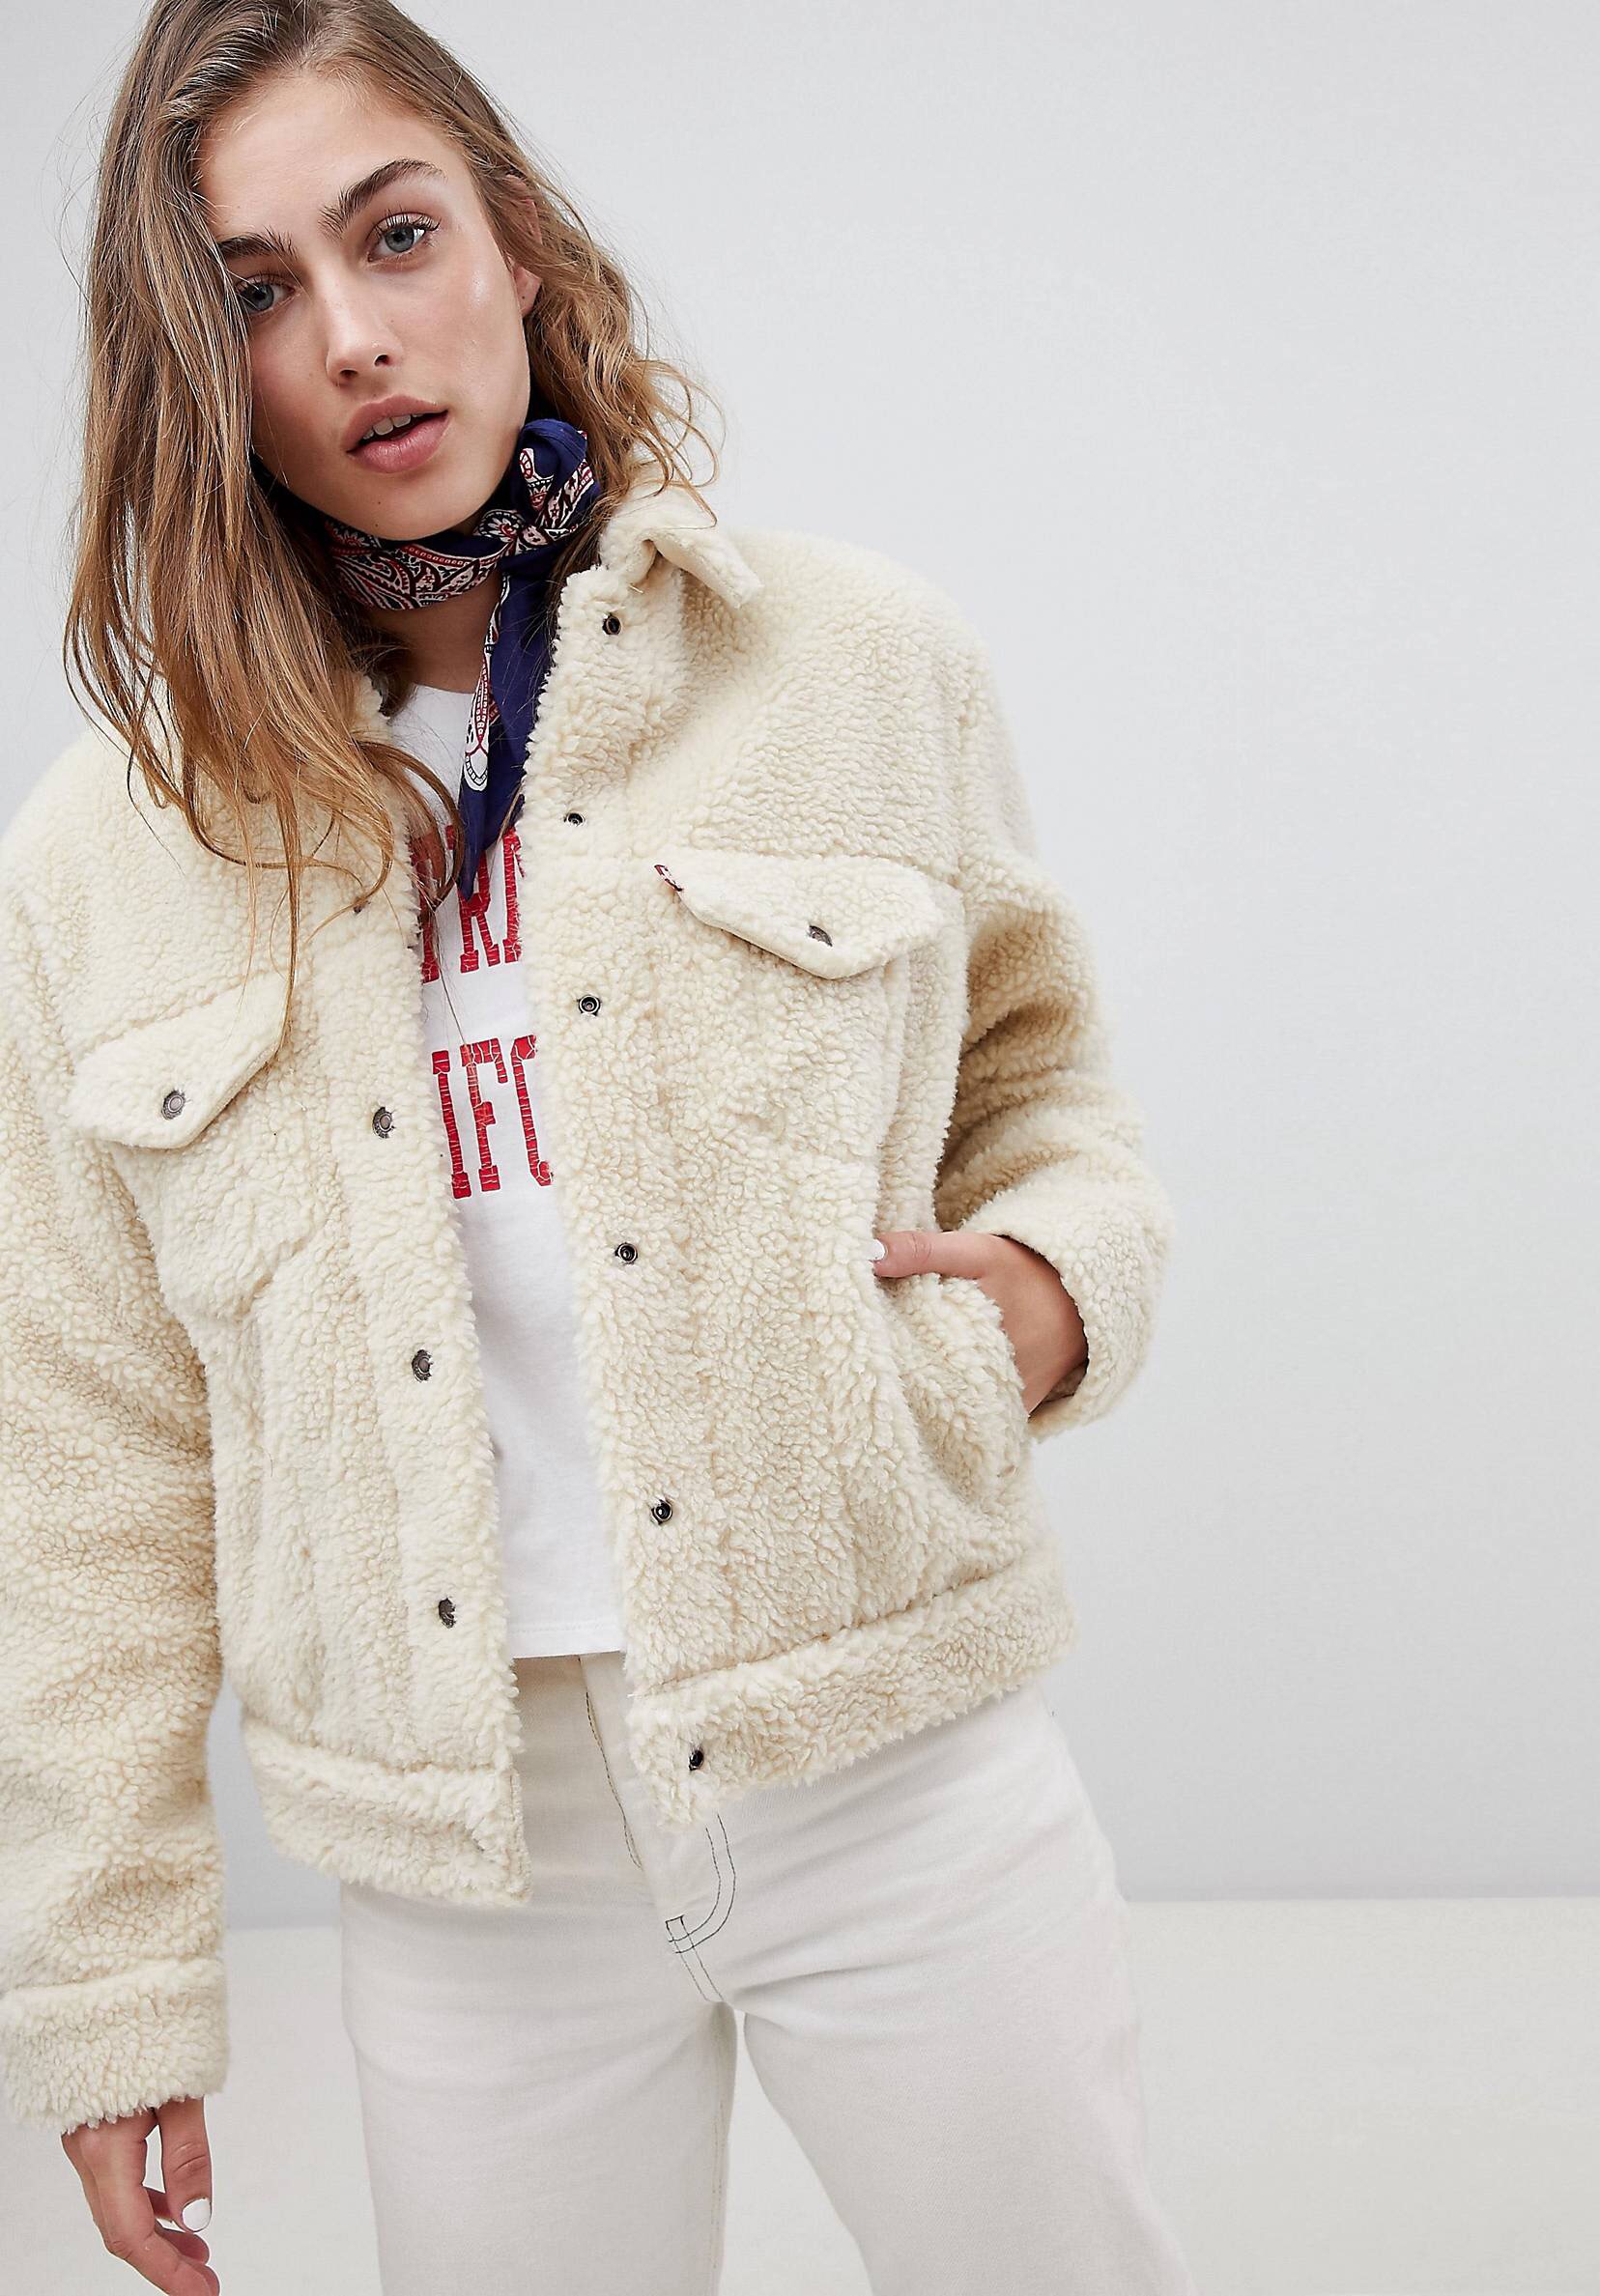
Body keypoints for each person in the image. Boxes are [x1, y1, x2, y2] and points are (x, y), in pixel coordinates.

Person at [0, 3, 1190, 2291]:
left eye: (396, 235)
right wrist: (112, 1985)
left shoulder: (849, 661)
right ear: (192, 372)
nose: (354, 337)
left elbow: (1046, 1098)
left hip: (892, 1762)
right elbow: (86, 1465)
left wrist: (1046, 1302)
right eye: (254, 293)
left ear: (515, 246)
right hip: (475, 1876)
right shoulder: (104, 864)